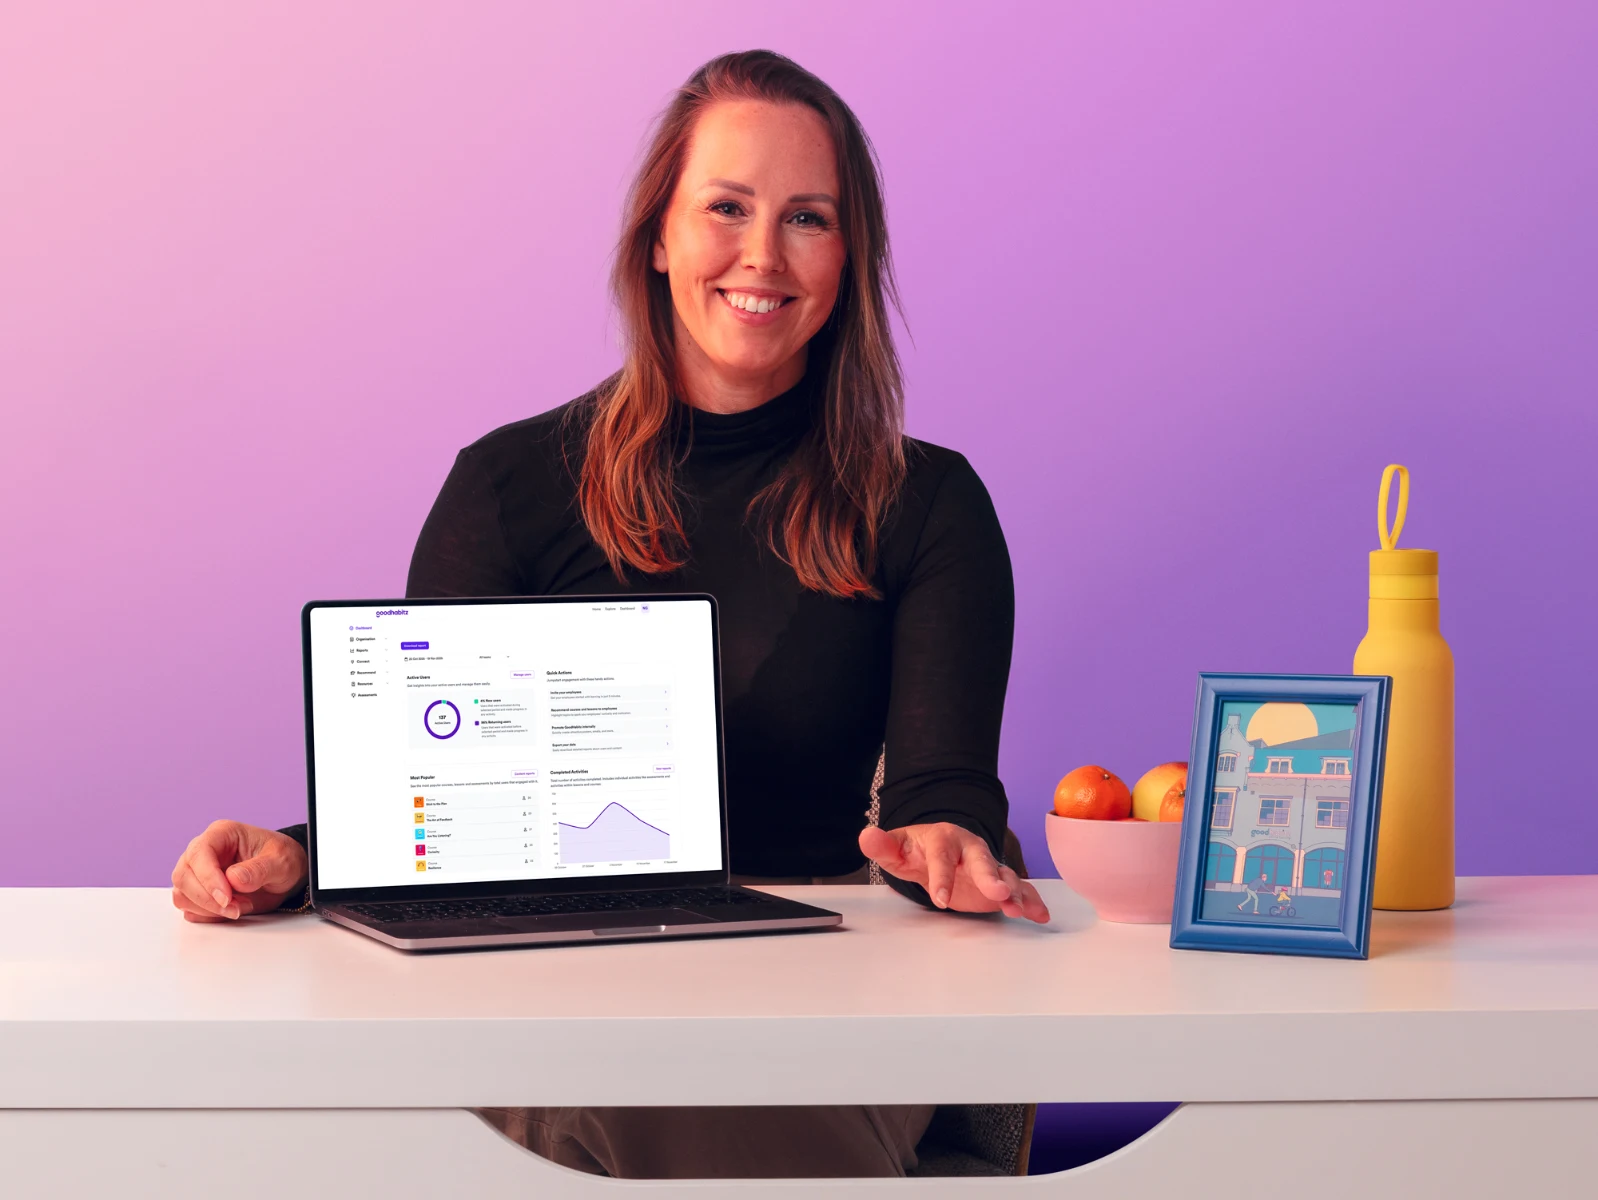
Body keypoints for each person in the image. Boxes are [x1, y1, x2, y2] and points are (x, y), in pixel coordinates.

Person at [167, 49, 1048, 1179]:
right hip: (551, 1003)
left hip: (823, 1007)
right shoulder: (509, 484)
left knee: (682, 1111)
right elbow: (435, 815)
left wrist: (944, 846)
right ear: (659, 238)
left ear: (848, 257)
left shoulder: (924, 504)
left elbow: (941, 792)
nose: (761, 256)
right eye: (725, 207)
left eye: (808, 218)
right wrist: (294, 857)